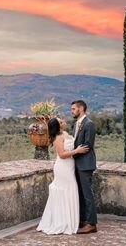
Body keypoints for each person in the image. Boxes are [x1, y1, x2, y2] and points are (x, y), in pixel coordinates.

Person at [36, 117, 89, 234]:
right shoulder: (57, 138)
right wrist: (77, 151)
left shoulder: (64, 133)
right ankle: (63, 221)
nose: (64, 121)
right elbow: (62, 155)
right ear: (58, 125)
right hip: (63, 168)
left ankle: (70, 220)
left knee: (71, 190)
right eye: (61, 121)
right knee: (67, 190)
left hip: (70, 166)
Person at [71, 100, 98, 234]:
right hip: (76, 163)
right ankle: (83, 220)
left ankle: (92, 224)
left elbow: (87, 146)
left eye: (73, 109)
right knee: (80, 193)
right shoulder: (76, 124)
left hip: (85, 164)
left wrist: (72, 153)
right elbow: (75, 143)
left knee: (87, 194)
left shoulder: (89, 124)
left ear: (81, 109)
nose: (72, 111)